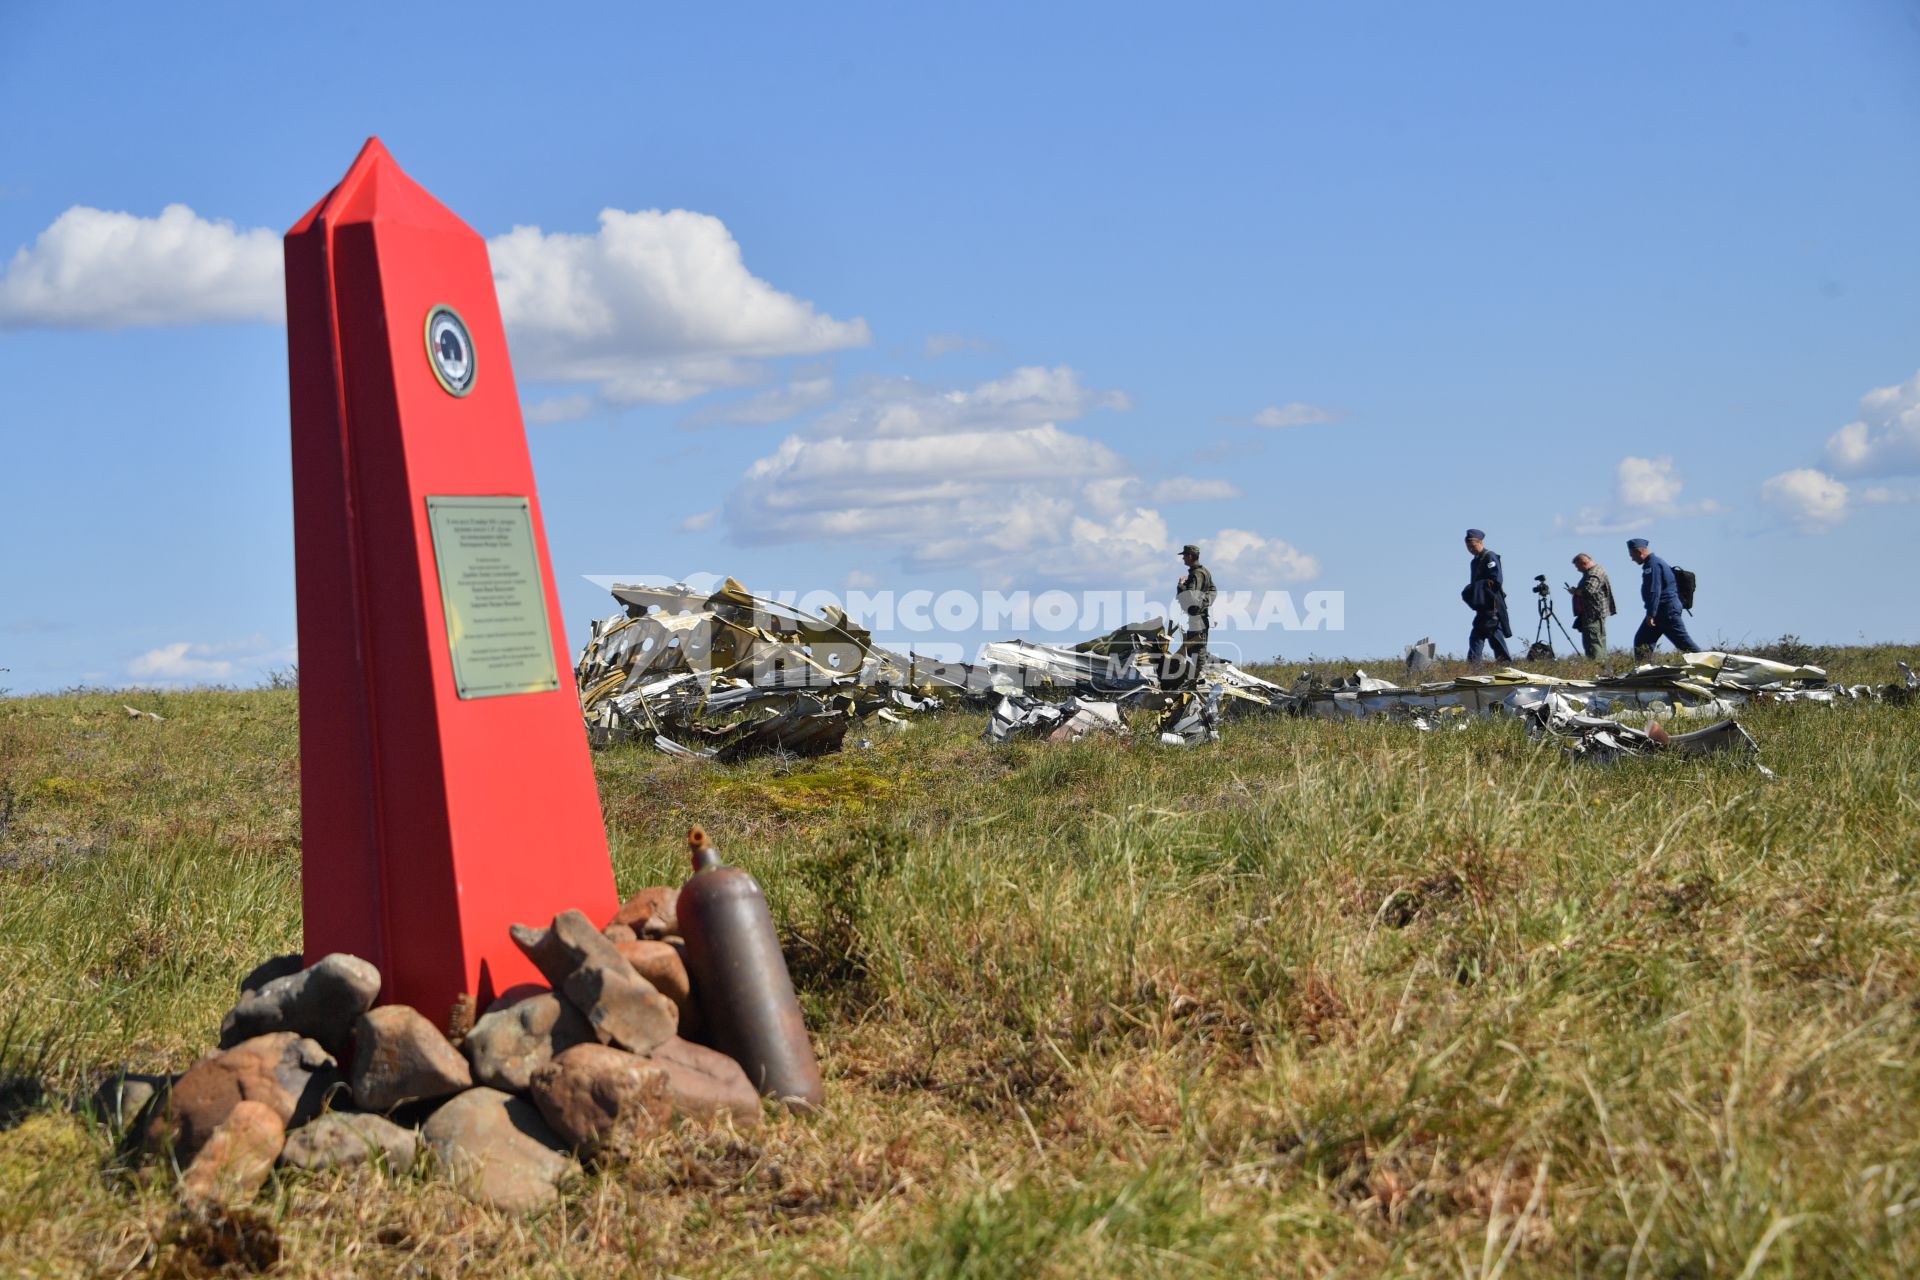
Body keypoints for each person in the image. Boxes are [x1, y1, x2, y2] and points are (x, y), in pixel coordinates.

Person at [1626, 537, 1700, 658]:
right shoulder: (1653, 563)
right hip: (1660, 611)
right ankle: (1644, 672)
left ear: (1640, 552)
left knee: (1684, 643)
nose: (1632, 559)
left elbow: (1654, 591)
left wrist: (1651, 614)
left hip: (1666, 610)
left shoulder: (1653, 565)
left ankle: (1712, 664)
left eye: (1632, 555)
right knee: (1642, 641)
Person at [1461, 528, 1512, 665]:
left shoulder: (1490, 556)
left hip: (1492, 604)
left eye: (1473, 546)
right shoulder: (1474, 562)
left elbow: (1496, 581)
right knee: (1480, 636)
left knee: (1492, 634)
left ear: (1480, 542)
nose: (1471, 549)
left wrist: (1480, 589)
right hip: (1482, 606)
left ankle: (1504, 665)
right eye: (1468, 547)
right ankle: (1476, 666)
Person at [1173, 543, 1216, 684]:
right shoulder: (1205, 572)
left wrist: (1181, 585)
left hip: (1197, 618)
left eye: (1185, 555)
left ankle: (1201, 679)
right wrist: (1206, 601)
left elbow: (1191, 597)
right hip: (1199, 617)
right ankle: (1209, 667)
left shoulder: (1196, 574)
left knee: (1197, 652)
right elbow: (1213, 589)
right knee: (1193, 650)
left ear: (1190, 556)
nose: (1183, 558)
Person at [1567, 552, 1616, 659]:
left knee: (1593, 642)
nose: (1577, 569)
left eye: (1578, 566)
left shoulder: (1594, 573)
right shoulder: (1594, 572)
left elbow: (1588, 591)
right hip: (1593, 613)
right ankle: (1603, 667)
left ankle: (1598, 667)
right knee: (1597, 641)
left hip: (1593, 614)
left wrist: (1575, 591)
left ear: (1583, 563)